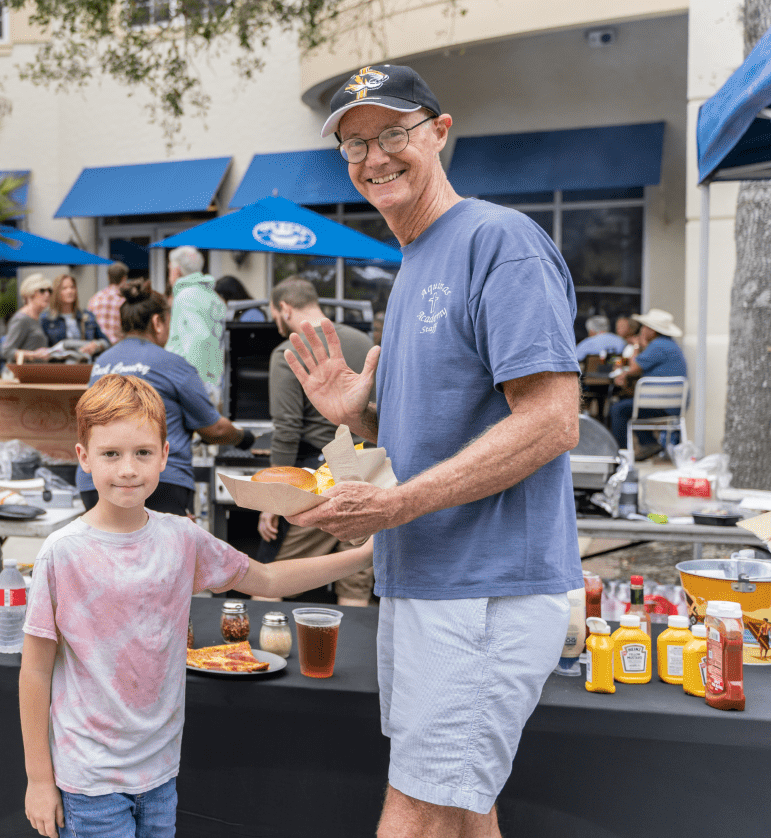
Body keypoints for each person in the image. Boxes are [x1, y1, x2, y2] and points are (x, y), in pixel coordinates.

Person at [286, 64, 581, 837]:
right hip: (433, 585)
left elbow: (551, 422)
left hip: (482, 592)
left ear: (439, 133)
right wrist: (357, 423)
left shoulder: (498, 241)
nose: (373, 156)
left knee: (415, 808)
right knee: (460, 805)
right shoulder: (416, 262)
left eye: (392, 133)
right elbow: (435, 447)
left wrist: (395, 505)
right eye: (355, 144)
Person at [19, 373, 373, 838]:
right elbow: (35, 671)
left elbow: (266, 577)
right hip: (90, 780)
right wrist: (39, 781)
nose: (128, 469)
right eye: (111, 454)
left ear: (166, 456)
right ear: (84, 458)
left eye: (142, 453)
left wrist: (366, 555)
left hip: (161, 774)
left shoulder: (181, 538)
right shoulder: (61, 552)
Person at [77, 280, 254, 517]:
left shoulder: (101, 363)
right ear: (157, 322)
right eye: (170, 322)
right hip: (159, 484)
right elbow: (215, 430)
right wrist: (244, 438)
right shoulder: (173, 364)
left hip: (96, 483)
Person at [257, 276, 377, 606]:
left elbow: (287, 429)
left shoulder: (287, 352)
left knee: (268, 580)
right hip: (370, 472)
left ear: (284, 307)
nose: (275, 323)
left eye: (273, 315)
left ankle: (260, 657)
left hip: (320, 477)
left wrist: (271, 500)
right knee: (354, 584)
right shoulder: (363, 341)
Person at [608, 307, 688, 458]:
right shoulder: (668, 344)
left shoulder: (655, 345)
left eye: (644, 327)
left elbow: (633, 366)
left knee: (619, 409)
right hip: (672, 403)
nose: (642, 330)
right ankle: (648, 443)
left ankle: (620, 456)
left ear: (652, 330)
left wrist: (637, 345)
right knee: (631, 406)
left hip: (663, 405)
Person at [164, 245, 226, 404]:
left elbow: (199, 339)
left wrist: (189, 387)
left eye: (169, 268)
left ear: (176, 270)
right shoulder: (212, 296)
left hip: (195, 384)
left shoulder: (186, 296)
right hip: (214, 379)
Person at [40, 273, 109, 358]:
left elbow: (106, 342)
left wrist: (97, 345)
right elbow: (43, 350)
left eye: (72, 287)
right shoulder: (47, 319)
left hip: (85, 365)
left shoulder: (87, 316)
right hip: (58, 366)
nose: (70, 291)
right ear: (56, 292)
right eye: (64, 288)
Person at [3, 273, 53, 362]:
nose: (47, 294)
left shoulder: (37, 318)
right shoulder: (21, 319)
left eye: (49, 290)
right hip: (21, 374)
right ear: (30, 293)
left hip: (34, 374)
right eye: (42, 290)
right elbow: (6, 351)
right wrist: (33, 355)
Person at [87, 261, 128, 345]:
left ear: (108, 277)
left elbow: (88, 324)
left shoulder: (95, 298)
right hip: (117, 348)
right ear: (124, 278)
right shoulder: (124, 301)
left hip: (98, 347)